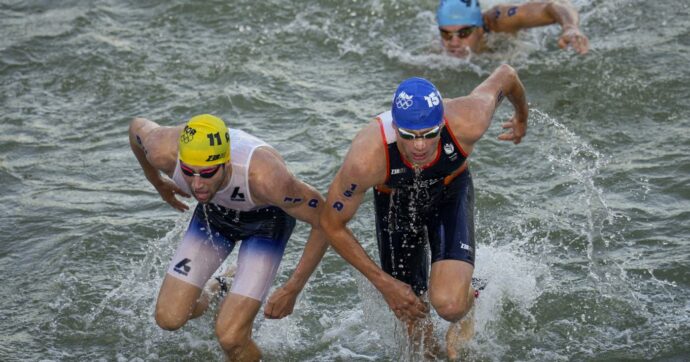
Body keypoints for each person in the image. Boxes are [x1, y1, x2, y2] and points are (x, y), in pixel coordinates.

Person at [319, 64, 528, 359]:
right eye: (409, 135)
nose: (419, 146)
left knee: (450, 305)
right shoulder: (366, 158)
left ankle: (470, 296)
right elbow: (331, 223)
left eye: (429, 134)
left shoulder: (469, 119)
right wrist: (385, 284)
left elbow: (506, 75)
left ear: (442, 124)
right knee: (414, 322)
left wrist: (522, 116)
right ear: (394, 128)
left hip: (449, 190)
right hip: (395, 203)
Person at [128, 114, 328, 361]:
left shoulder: (266, 178)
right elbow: (136, 127)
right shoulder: (162, 150)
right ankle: (220, 285)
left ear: (226, 163)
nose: (197, 185)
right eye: (189, 173)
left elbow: (325, 219)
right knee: (169, 318)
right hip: (215, 214)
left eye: (207, 173)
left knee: (230, 337)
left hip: (265, 224)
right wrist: (157, 181)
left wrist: (293, 288)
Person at [437, 0, 589, 58]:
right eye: (446, 34)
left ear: (480, 27)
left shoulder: (501, 20)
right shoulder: (438, 53)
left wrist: (569, 27)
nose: (454, 42)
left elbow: (554, 5)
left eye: (464, 33)